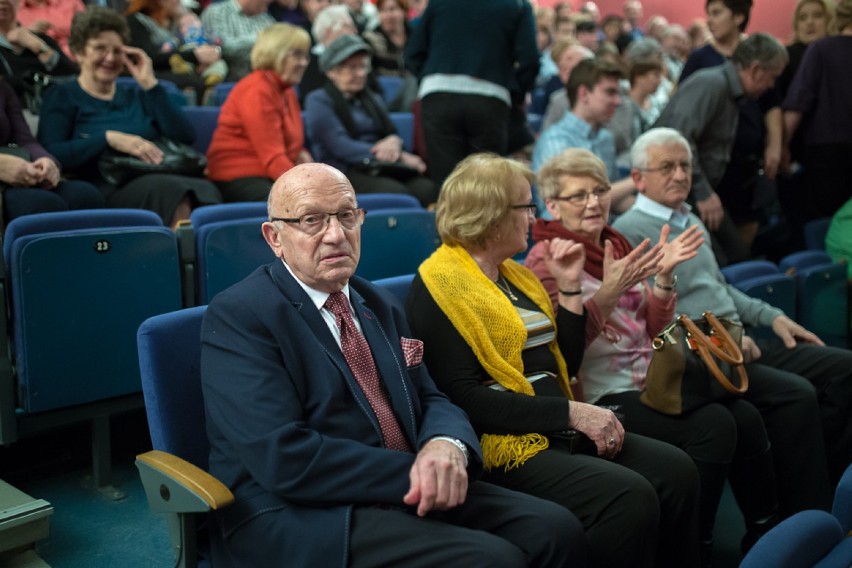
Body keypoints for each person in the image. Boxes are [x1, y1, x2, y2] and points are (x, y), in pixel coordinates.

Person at [200, 161, 585, 568]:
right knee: (491, 560)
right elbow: (285, 458)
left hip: (397, 483)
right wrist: (418, 470)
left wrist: (446, 445)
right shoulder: (240, 317)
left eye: (347, 216)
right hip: (302, 511)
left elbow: (432, 397)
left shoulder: (376, 302)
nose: (336, 235)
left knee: (554, 528)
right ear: (274, 237)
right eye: (312, 220)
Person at [525, 147, 826, 562]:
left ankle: (765, 535)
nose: (593, 202)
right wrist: (609, 292)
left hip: (650, 373)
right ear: (553, 204)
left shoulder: (618, 242)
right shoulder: (546, 259)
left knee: (745, 415)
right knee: (716, 426)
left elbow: (654, 328)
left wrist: (663, 280)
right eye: (578, 196)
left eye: (599, 191)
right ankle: (693, 545)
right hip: (599, 389)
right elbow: (563, 351)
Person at [405, 152, 701, 568]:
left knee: (678, 471)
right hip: (505, 442)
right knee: (628, 496)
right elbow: (464, 398)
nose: (534, 216)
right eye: (526, 206)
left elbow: (567, 362)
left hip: (554, 422)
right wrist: (571, 413)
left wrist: (569, 288)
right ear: (491, 215)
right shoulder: (440, 283)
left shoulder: (516, 274)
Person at [613, 127, 851, 491]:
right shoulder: (629, 232)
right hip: (701, 354)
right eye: (667, 167)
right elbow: (652, 319)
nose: (679, 175)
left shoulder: (689, 220)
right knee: (797, 394)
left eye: (684, 165)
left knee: (843, 368)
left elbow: (720, 287)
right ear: (637, 178)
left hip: (740, 339)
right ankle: (803, 509)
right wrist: (726, 340)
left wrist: (774, 317)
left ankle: (837, 491)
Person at [37, 7, 222, 228]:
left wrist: (150, 84)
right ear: (78, 52)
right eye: (100, 49)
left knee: (205, 188)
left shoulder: (138, 94)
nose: (110, 58)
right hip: (104, 184)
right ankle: (182, 261)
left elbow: (184, 135)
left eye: (117, 51)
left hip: (156, 173)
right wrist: (108, 139)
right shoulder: (63, 95)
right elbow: (53, 152)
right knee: (171, 190)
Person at [655, 33, 788, 267]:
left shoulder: (728, 91)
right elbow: (678, 141)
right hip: (681, 194)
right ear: (755, 69)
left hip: (693, 192)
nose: (771, 86)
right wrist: (704, 192)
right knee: (723, 262)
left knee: (738, 256)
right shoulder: (712, 84)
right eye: (772, 77)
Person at [405, 0, 540, 187]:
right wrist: (515, 93)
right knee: (486, 187)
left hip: (438, 97)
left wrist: (433, 78)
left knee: (448, 186)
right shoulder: (517, 5)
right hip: (491, 98)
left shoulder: (439, 3)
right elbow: (530, 60)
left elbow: (412, 54)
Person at [304, 34, 436, 207]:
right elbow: (340, 146)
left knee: (428, 188)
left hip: (380, 167)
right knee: (397, 194)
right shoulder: (318, 100)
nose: (360, 74)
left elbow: (391, 133)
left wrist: (394, 143)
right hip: (345, 170)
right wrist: (395, 156)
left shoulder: (371, 98)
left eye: (363, 67)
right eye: (352, 68)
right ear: (331, 71)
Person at [206, 23, 312, 202]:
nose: (303, 63)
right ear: (274, 53)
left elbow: (285, 143)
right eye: (297, 55)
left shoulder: (286, 89)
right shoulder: (257, 90)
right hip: (238, 177)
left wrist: (301, 153)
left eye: (306, 56)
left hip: (268, 173)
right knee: (303, 205)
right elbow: (272, 156)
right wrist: (306, 189)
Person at [532, 58, 636, 215]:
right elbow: (565, 210)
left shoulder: (605, 138)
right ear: (584, 94)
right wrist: (638, 180)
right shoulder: (556, 142)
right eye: (610, 92)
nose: (618, 101)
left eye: (618, 93)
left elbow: (613, 199)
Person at [782, 0, 852, 223]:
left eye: (817, 16)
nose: (810, 23)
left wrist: (780, 146)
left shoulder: (821, 49)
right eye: (803, 17)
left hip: (825, 154)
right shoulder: (796, 53)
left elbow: (796, 103)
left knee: (825, 224)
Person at [0, 77, 103, 222]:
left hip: (15, 171)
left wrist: (46, 161)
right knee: (43, 205)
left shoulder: (3, 87)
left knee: (85, 195)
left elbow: (24, 139)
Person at [126, 0, 227, 104]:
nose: (179, 2)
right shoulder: (135, 21)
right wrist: (194, 56)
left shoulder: (178, 21)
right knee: (193, 83)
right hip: (156, 74)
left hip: (191, 68)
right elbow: (146, 57)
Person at [0, 0, 78, 109]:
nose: (3, 1)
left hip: (57, 110)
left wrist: (39, 47)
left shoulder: (40, 39)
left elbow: (75, 77)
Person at [362, 0, 418, 111]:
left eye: (392, 9)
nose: (387, 15)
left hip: (413, 93)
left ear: (404, 11)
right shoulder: (371, 39)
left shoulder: (416, 37)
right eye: (382, 10)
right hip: (383, 94)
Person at [200, 0, 275, 81]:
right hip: (229, 79)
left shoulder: (266, 18)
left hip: (265, 78)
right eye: (266, 3)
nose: (266, 9)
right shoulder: (217, 12)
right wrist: (259, 38)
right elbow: (221, 49)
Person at [15, 0, 85, 59]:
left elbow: (89, 32)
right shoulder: (14, 9)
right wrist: (29, 33)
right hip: (36, 63)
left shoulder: (71, 2)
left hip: (77, 59)